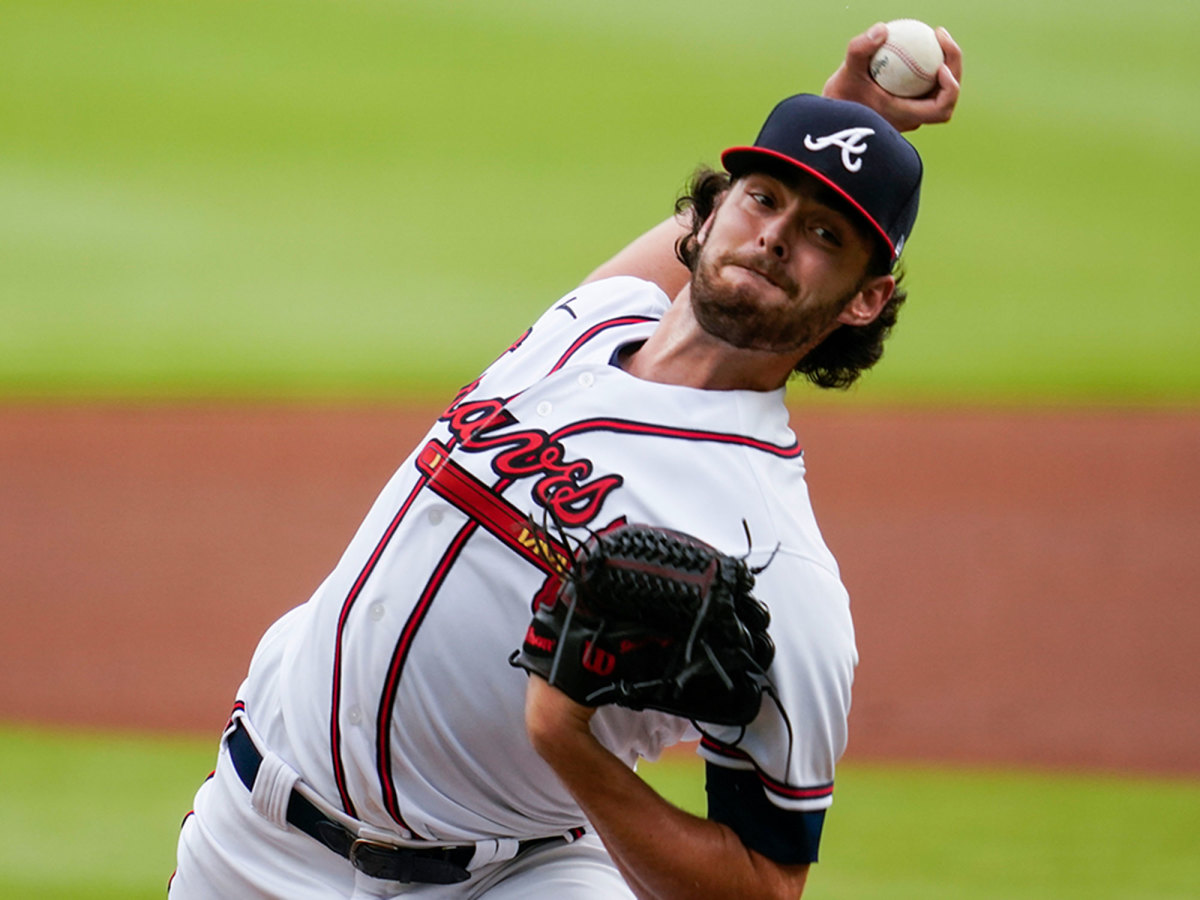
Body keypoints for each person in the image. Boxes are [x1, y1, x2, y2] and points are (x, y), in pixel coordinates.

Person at [169, 23, 962, 900]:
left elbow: (767, 881)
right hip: (248, 838)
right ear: (708, 213)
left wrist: (568, 742)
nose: (774, 236)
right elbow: (722, 248)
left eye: (824, 234)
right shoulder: (594, 320)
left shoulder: (774, 552)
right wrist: (841, 115)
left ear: (866, 299)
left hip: (508, 876)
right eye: (763, 199)